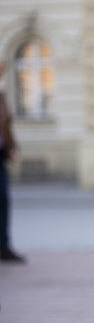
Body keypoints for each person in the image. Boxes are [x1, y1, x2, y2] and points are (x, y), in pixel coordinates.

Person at [0, 61, 25, 263]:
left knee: (3, 199)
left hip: (0, 154)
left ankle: (4, 246)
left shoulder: (1, 97)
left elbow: (6, 125)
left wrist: (12, 147)